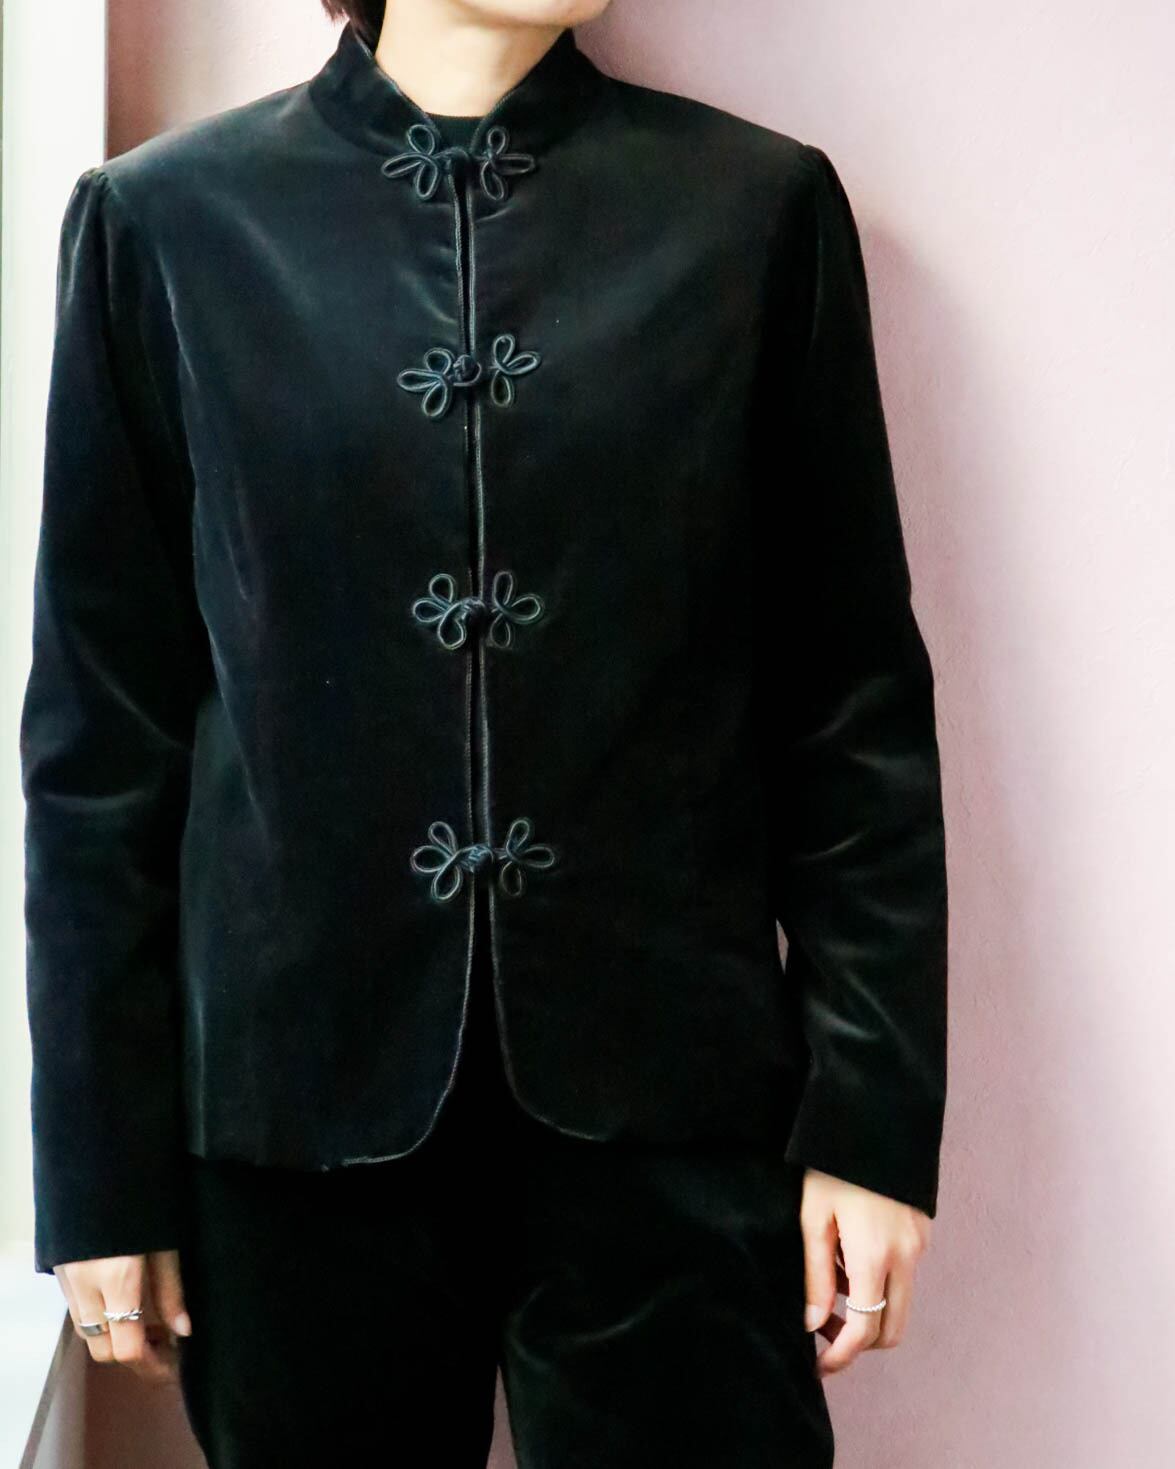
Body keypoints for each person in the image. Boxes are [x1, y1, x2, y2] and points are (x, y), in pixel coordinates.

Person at [19, 0, 949, 1462]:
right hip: (293, 1134)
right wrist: (97, 1174)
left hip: (677, 1113)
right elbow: (99, 739)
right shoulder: (168, 227)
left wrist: (870, 1129)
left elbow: (851, 707)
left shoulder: (753, 214)